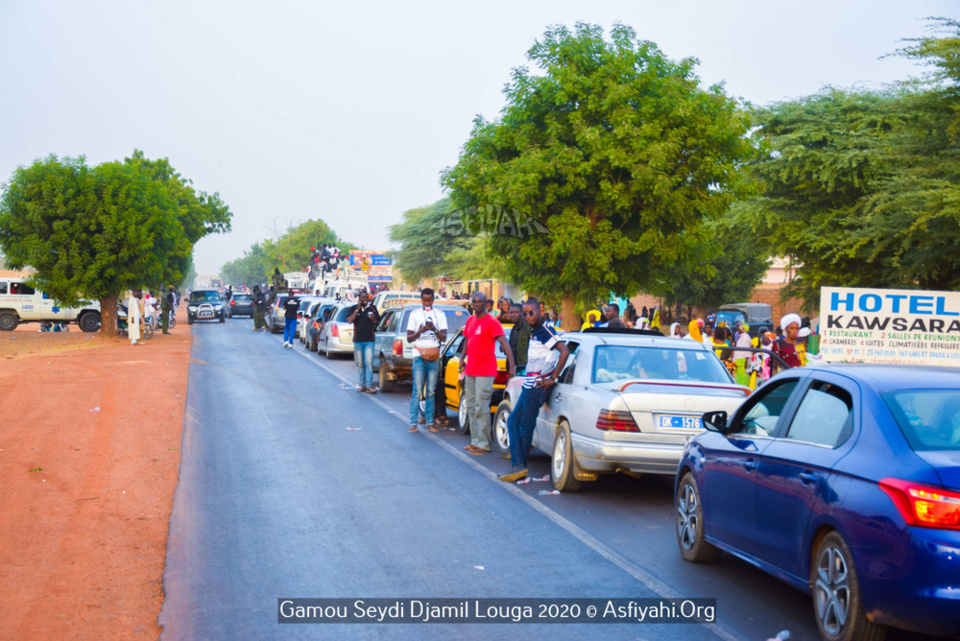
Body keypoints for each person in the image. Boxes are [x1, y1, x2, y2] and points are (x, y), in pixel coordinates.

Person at [500, 298, 570, 482]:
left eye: (531, 313)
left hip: (537, 385)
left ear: (540, 311)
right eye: (525, 314)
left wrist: (552, 378)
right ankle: (518, 466)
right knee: (514, 421)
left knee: (524, 426)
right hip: (529, 384)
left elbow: (564, 352)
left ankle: (519, 467)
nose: (528, 316)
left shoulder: (545, 330)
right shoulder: (534, 330)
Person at [462, 292, 516, 455]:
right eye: (474, 301)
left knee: (481, 406)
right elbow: (467, 340)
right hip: (470, 369)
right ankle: (475, 441)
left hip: (485, 371)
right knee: (471, 406)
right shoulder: (470, 320)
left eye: (480, 301)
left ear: (486, 303)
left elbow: (505, 343)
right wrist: (462, 358)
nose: (476, 304)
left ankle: (484, 443)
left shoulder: (493, 322)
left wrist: (511, 367)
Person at [406, 288, 447, 433]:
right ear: (421, 300)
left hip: (434, 357)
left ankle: (430, 422)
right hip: (419, 356)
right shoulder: (415, 314)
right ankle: (413, 423)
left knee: (431, 391)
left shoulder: (440, 314)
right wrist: (421, 330)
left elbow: (444, 337)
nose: (427, 303)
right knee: (417, 391)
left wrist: (434, 329)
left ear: (433, 300)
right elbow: (409, 338)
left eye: (430, 300)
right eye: (425, 300)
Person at [347, 291, 381, 393]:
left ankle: (369, 386)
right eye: (363, 298)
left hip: (369, 340)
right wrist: (357, 309)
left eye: (366, 297)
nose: (365, 299)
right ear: (359, 298)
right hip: (358, 340)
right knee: (360, 364)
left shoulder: (372, 308)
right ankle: (362, 385)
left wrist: (373, 319)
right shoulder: (353, 308)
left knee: (368, 363)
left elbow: (378, 322)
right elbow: (349, 320)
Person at [507, 303, 529, 376]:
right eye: (511, 313)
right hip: (513, 368)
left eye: (516, 312)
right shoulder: (513, 329)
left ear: (522, 314)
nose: (513, 315)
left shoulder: (528, 328)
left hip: (524, 369)